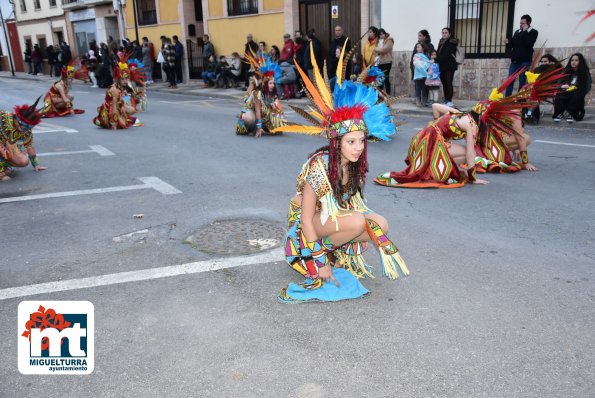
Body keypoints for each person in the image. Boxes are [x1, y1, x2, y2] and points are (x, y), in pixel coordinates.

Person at [272, 50, 408, 303]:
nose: (358, 147)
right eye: (351, 141)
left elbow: (347, 205)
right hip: (303, 234)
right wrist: (321, 262)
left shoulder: (353, 165)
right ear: (336, 142)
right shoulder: (319, 167)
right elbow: (305, 219)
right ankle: (324, 257)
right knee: (357, 222)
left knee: (380, 224)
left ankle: (337, 248)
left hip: (327, 221)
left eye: (361, 141)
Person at [235, 55, 286, 137]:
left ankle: (263, 125)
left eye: (273, 83)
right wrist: (259, 127)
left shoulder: (271, 90)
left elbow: (277, 108)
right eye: (270, 83)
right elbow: (255, 108)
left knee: (278, 123)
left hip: (261, 109)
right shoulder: (255, 86)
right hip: (252, 109)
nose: (272, 85)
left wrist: (274, 108)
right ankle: (252, 127)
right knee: (250, 118)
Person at [0, 97, 47, 181]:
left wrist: (36, 164)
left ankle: (3, 167)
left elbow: (29, 146)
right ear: (17, 120)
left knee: (23, 161)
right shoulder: (4, 116)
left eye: (27, 128)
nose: (23, 130)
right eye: (22, 126)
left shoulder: (26, 131)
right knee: (8, 147)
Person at [92, 60, 139, 130]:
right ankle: (110, 121)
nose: (125, 81)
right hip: (109, 110)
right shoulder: (115, 90)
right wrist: (113, 122)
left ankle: (122, 116)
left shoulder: (121, 86)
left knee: (132, 110)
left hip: (117, 106)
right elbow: (113, 107)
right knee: (123, 125)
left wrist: (125, 105)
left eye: (126, 79)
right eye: (123, 79)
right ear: (119, 79)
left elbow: (123, 99)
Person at [504, 14, 538, 97]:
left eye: (523, 23)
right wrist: (507, 43)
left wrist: (525, 32)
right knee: (510, 80)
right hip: (515, 61)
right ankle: (506, 100)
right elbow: (512, 45)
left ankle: (520, 101)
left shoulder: (534, 32)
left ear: (528, 23)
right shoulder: (517, 32)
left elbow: (529, 43)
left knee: (522, 81)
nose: (521, 25)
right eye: (520, 23)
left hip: (525, 61)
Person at [553, 53, 591, 123]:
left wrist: (581, 93)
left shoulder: (584, 73)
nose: (573, 62)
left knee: (575, 93)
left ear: (580, 62)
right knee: (560, 93)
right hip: (566, 91)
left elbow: (587, 86)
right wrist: (562, 86)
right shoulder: (566, 71)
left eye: (576, 60)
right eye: (572, 60)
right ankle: (559, 113)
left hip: (577, 92)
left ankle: (572, 114)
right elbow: (559, 83)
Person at [436, 27, 458, 107]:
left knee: (448, 82)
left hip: (449, 65)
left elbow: (447, 54)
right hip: (442, 65)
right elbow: (439, 52)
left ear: (449, 34)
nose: (444, 34)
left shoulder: (452, 42)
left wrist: (436, 59)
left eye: (446, 33)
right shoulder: (441, 41)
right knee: (444, 83)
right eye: (443, 32)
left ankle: (449, 101)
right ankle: (446, 99)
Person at [373, 28, 393, 94]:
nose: (381, 36)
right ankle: (381, 96)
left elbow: (385, 50)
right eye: (380, 35)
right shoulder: (378, 41)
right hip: (380, 62)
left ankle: (388, 95)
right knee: (380, 80)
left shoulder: (389, 40)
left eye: (382, 34)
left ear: (385, 33)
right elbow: (375, 52)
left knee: (386, 79)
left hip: (387, 62)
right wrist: (377, 50)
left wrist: (376, 49)